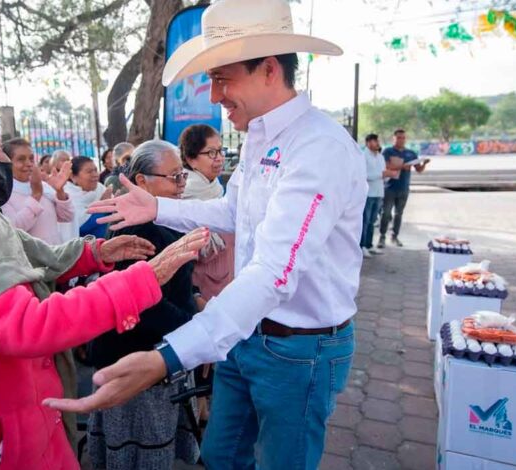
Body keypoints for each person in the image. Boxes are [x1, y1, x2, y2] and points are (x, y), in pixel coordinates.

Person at [46, 1, 366, 469]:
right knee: (219, 457)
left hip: (300, 348)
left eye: (223, 78)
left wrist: (167, 358)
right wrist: (158, 206)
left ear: (269, 70)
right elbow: (234, 211)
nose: (215, 95)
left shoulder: (319, 149)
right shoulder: (261, 137)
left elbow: (274, 273)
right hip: (244, 332)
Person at [0, 95, 208, 470]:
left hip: (18, 417)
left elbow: (35, 253)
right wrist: (143, 281)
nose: (4, 161)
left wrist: (98, 253)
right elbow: (32, 325)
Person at [87, 140, 200, 470]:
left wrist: (194, 300)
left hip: (162, 348)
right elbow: (144, 304)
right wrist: (194, 328)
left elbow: (176, 280)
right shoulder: (138, 227)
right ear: (141, 182)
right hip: (135, 355)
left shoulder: (166, 217)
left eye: (182, 176)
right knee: (138, 450)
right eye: (173, 177)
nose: (181, 185)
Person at [179, 124, 234, 300]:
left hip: (228, 283)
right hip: (202, 290)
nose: (219, 158)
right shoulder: (182, 194)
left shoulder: (215, 188)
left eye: (220, 151)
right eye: (211, 153)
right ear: (191, 158)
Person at [2, 138, 75, 245]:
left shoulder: (43, 186)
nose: (28, 163)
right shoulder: (4, 194)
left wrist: (60, 191)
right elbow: (15, 229)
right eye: (21, 159)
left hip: (55, 253)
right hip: (29, 258)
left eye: (31, 159)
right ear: (7, 163)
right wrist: (36, 195)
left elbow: (67, 217)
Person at [377, 129, 428, 248]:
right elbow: (386, 165)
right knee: (386, 213)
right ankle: (382, 236)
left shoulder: (411, 153)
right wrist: (402, 166)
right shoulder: (388, 151)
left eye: (403, 138)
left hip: (404, 187)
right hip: (390, 187)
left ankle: (394, 236)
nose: (401, 140)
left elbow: (418, 169)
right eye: (399, 137)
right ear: (394, 138)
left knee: (399, 214)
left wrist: (424, 163)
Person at [361, 133, 397, 258]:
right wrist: (381, 175)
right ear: (368, 143)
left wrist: (388, 175)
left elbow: (383, 175)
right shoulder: (363, 156)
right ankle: (361, 246)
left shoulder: (380, 157)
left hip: (378, 193)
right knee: (365, 221)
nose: (377, 143)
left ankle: (369, 245)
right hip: (368, 194)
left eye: (378, 141)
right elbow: (364, 176)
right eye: (375, 141)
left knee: (372, 221)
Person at [66, 156, 111, 239]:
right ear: (73, 176)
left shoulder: (100, 188)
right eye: (89, 171)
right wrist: (102, 207)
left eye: (96, 170)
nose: (95, 175)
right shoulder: (66, 196)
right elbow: (80, 228)